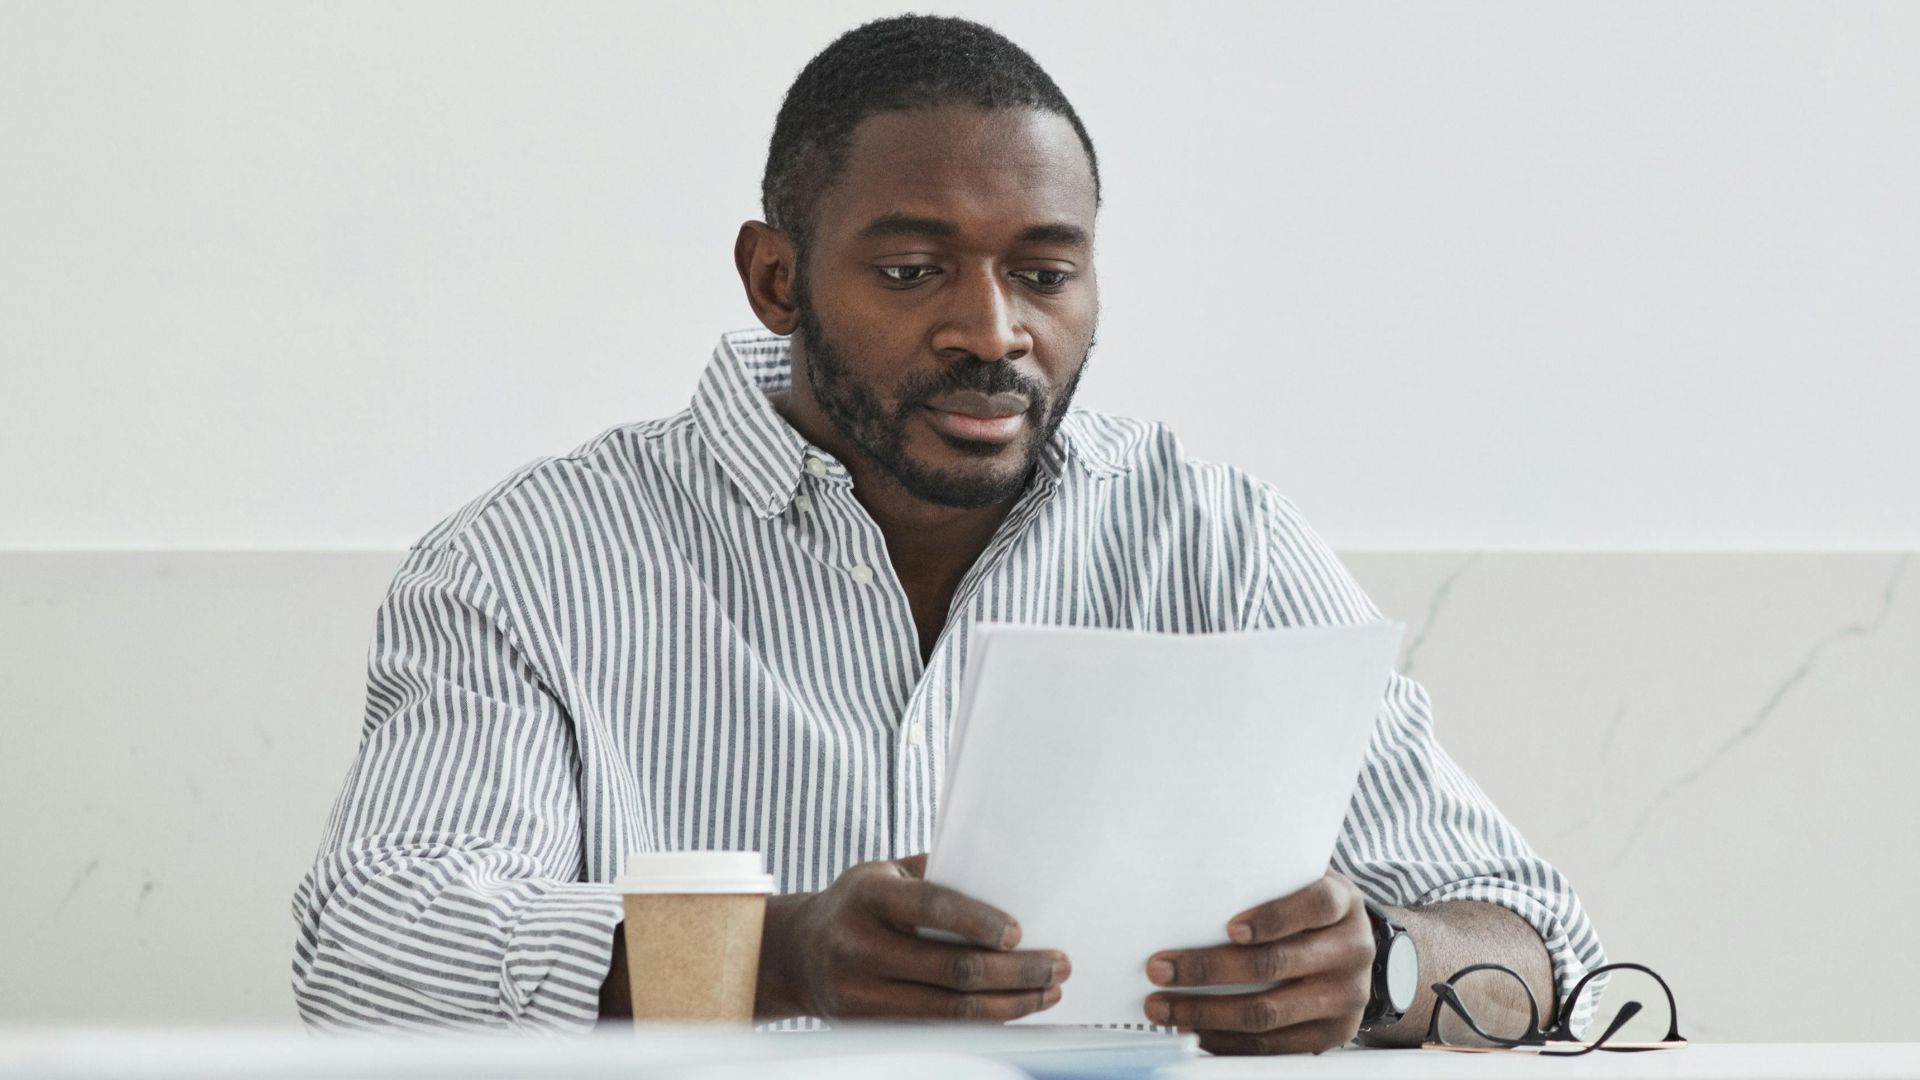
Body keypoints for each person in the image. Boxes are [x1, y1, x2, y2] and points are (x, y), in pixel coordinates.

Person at [290, 14, 1606, 1055]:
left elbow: (1544, 941)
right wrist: (773, 956)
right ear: (774, 278)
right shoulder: (530, 563)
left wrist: (1387, 964)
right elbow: (372, 952)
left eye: (1044, 271)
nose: (993, 330)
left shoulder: (1216, 540)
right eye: (913, 269)